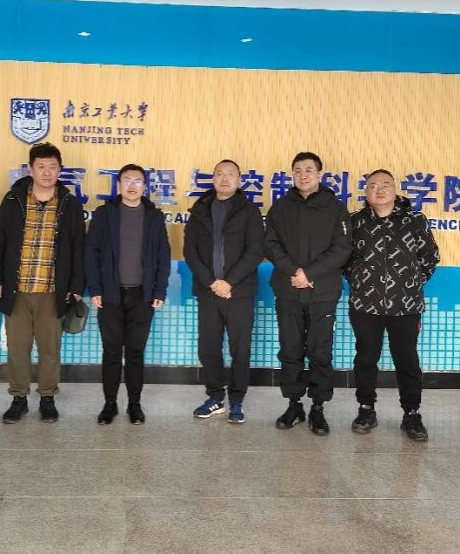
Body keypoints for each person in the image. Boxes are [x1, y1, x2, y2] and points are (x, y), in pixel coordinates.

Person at [0, 142, 85, 424]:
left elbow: (79, 247)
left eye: (52, 167)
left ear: (60, 170)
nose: (47, 172)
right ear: (30, 169)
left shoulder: (69, 204)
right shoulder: (13, 200)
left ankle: (47, 398)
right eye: (41, 167)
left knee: (49, 350)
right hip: (16, 289)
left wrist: (76, 286)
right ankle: (18, 398)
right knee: (18, 349)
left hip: (53, 291)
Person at [344, 169, 440, 441]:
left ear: (395, 190)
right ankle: (366, 409)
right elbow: (343, 260)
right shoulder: (355, 222)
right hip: (365, 304)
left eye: (385, 185)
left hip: (405, 306)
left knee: (407, 360)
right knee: (366, 358)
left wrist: (411, 284)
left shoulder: (414, 220)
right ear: (366, 192)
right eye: (373, 185)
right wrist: (360, 281)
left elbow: (430, 257)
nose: (379, 190)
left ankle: (412, 414)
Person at [265, 151, 351, 435]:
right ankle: (293, 405)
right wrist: (295, 272)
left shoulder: (335, 208)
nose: (303, 175)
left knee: (319, 351)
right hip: (288, 289)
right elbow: (270, 244)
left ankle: (318, 407)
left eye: (309, 170)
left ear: (319, 174)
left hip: (322, 291)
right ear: (292, 174)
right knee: (290, 350)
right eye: (298, 170)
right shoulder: (280, 207)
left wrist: (310, 274)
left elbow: (342, 248)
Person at [85, 164, 170, 425]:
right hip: (110, 295)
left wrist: (159, 290)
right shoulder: (104, 214)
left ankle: (135, 404)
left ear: (145, 186)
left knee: (135, 352)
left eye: (137, 181)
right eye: (127, 180)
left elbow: (163, 255)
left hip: (142, 295)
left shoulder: (154, 216)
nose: (132, 186)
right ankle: (109, 404)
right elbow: (91, 252)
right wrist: (95, 288)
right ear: (119, 185)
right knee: (111, 352)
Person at [184, 159, 265, 423]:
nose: (225, 178)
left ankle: (237, 400)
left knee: (239, 348)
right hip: (208, 292)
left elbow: (255, 251)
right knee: (208, 346)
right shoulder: (200, 210)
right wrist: (212, 282)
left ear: (239, 180)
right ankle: (215, 397)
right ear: (213, 179)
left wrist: (229, 282)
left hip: (239, 293)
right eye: (220, 174)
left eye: (231, 174)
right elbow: (190, 252)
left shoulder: (249, 211)